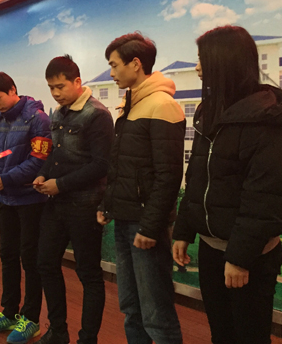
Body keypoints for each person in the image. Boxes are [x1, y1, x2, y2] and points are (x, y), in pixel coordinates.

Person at [172, 26, 282, 344]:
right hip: (211, 249)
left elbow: (264, 198)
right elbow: (197, 177)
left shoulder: (266, 118)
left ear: (224, 62)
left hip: (250, 257)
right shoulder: (210, 110)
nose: (197, 68)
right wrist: (184, 231)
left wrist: (240, 258)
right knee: (222, 334)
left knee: (249, 337)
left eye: (202, 60)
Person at [97, 33, 185, 344]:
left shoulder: (163, 105)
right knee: (131, 308)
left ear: (135, 64)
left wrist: (150, 226)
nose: (111, 72)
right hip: (125, 220)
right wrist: (107, 205)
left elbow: (169, 175)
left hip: (145, 226)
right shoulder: (131, 104)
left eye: (114, 65)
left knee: (156, 314)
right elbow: (121, 166)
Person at [33, 55, 113, 344]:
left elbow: (101, 165)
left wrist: (60, 184)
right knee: (45, 264)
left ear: (77, 82)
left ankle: (87, 339)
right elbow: (56, 153)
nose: (55, 93)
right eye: (51, 88)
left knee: (88, 273)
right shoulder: (59, 113)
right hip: (56, 203)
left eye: (60, 86)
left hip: (85, 204)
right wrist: (43, 174)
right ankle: (58, 331)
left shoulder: (97, 115)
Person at [0, 72, 52, 344]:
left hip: (31, 200)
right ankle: (9, 312)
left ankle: (31, 319)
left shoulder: (37, 119)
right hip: (8, 199)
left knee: (30, 260)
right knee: (8, 256)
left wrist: (6, 179)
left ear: (12, 90)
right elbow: (0, 159)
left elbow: (38, 160)